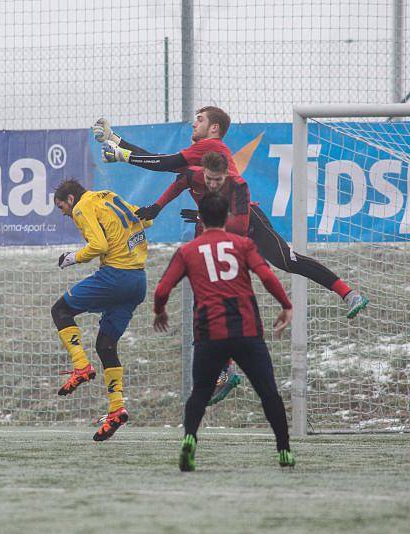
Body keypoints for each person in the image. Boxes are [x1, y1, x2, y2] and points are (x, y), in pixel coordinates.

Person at [96, 107, 367, 320]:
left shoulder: (210, 146)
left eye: (199, 119)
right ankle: (224, 367)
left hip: (246, 218)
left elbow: (165, 163)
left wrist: (122, 155)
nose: (194, 123)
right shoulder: (199, 155)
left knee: (286, 260)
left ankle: (348, 293)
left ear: (214, 128)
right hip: (219, 227)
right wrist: (115, 139)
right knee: (214, 288)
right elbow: (166, 165)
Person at [153, 193, 295, 471]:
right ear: (228, 218)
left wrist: (160, 310)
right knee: (269, 393)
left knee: (201, 392)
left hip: (209, 334)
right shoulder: (242, 244)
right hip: (247, 332)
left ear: (201, 219)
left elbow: (161, 290)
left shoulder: (188, 250)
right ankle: (284, 451)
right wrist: (286, 306)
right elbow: (266, 276)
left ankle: (190, 439)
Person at [51, 179, 151, 441]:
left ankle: (81, 366)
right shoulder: (109, 195)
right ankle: (116, 409)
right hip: (138, 281)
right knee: (106, 345)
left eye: (62, 207)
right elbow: (145, 219)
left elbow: (99, 247)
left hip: (116, 276)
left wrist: (71, 258)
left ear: (70, 199)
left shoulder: (82, 207)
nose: (64, 213)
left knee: (60, 310)